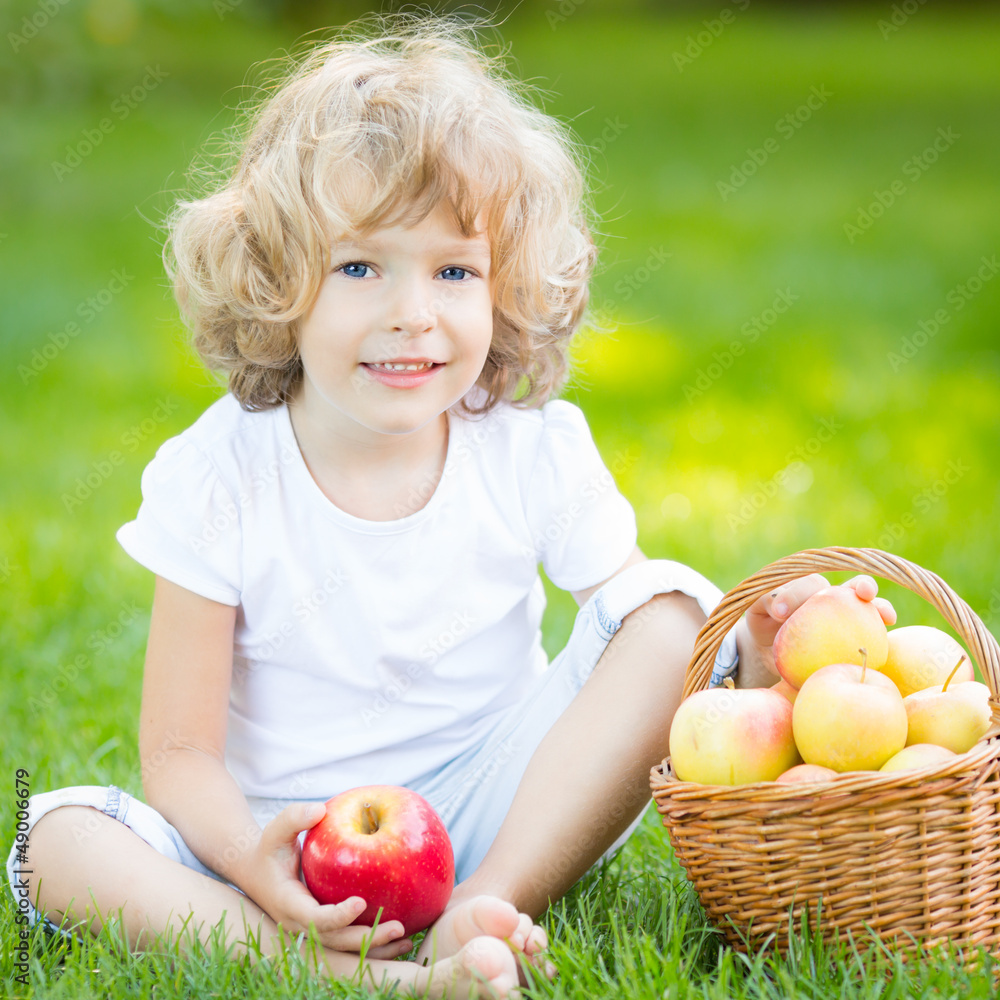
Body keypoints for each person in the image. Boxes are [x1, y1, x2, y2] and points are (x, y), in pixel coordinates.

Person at [8, 14, 894, 998]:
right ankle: (318, 966)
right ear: (275, 283)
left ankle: (486, 904)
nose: (412, 312)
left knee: (671, 606)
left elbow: (648, 662)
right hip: (282, 842)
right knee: (52, 834)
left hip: (499, 809)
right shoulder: (220, 471)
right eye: (359, 267)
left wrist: (760, 658)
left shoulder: (528, 449)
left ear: (502, 285)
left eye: (453, 271)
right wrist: (247, 850)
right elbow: (177, 753)